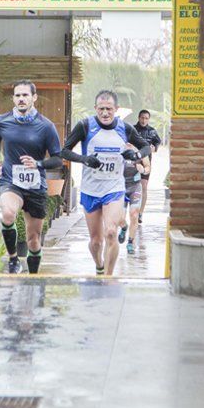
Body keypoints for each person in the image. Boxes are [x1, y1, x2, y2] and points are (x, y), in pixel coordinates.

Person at [61, 90, 151, 276]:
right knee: (96, 241)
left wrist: (135, 155)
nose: (105, 113)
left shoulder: (125, 128)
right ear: (95, 109)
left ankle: (108, 279)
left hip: (114, 187)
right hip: (91, 189)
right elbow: (64, 151)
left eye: (109, 109)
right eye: (101, 109)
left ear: (115, 109)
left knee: (111, 232)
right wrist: (84, 159)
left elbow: (146, 147)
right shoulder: (85, 126)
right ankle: (99, 265)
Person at [0, 80, 63, 274]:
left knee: (33, 240)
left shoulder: (46, 126)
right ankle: (13, 259)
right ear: (13, 98)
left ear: (34, 98)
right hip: (10, 181)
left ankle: (33, 277)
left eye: (25, 95)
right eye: (18, 95)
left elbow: (58, 159)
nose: (21, 99)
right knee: (7, 214)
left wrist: (38, 163)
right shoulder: (2, 121)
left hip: (35, 187)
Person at [117, 145, 150, 255]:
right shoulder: (118, 146)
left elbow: (148, 167)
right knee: (119, 218)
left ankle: (130, 242)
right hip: (120, 186)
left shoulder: (140, 150)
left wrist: (144, 170)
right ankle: (124, 227)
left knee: (134, 214)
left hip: (135, 187)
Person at [133, 109, 162, 224]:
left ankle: (140, 213)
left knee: (144, 187)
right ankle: (132, 211)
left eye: (146, 118)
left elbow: (156, 146)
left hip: (146, 163)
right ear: (139, 118)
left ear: (148, 119)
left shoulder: (153, 132)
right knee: (134, 187)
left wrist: (153, 148)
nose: (144, 120)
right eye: (142, 118)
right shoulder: (133, 130)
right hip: (133, 162)